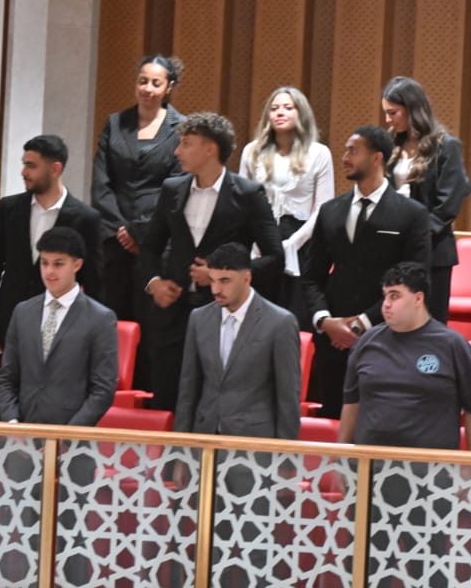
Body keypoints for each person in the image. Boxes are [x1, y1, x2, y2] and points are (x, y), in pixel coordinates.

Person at [139, 111, 282, 415]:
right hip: (172, 317)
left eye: (186, 144)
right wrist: (154, 283)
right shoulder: (172, 189)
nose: (177, 151)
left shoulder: (248, 194)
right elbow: (149, 247)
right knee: (167, 402)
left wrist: (222, 276)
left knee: (214, 403)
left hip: (223, 316)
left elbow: (274, 257)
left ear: (209, 149)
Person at [301, 125, 432, 418]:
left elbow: (416, 277)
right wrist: (324, 320)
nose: (345, 157)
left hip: (388, 337)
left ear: (376, 158)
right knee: (333, 421)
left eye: (353, 150)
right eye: (345, 150)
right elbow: (311, 276)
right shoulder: (330, 211)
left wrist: (363, 322)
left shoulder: (411, 213)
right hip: (332, 341)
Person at [0, 134, 106, 417]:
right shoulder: (9, 208)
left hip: (61, 335)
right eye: (24, 164)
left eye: (31, 165)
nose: (24, 172)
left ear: (55, 169)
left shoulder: (86, 218)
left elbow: (94, 283)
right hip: (7, 329)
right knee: (6, 409)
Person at [90, 54, 187, 390]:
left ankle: (148, 397)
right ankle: (108, 394)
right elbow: (101, 182)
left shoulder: (181, 128)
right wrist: (120, 229)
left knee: (152, 324)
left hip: (157, 241)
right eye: (142, 81)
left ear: (169, 87)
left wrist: (140, 231)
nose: (147, 88)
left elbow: (177, 186)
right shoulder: (115, 123)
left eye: (155, 83)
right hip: (112, 239)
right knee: (112, 318)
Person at [340, 262, 471, 451]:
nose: (386, 304)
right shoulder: (366, 343)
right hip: (369, 461)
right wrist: (340, 457)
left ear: (418, 298)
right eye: (385, 295)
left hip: (431, 464)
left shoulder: (453, 345)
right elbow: (351, 403)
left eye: (395, 296)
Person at [175, 243, 301, 440]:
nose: (216, 289)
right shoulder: (199, 318)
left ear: (247, 278)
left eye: (225, 281)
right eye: (212, 280)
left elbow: (288, 397)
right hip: (204, 437)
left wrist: (285, 454)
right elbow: (187, 389)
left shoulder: (280, 322)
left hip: (255, 443)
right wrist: (179, 448)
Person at [0, 227, 118, 426]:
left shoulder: (100, 318)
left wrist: (67, 435)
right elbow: (7, 378)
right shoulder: (22, 312)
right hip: (22, 434)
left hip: (72, 437)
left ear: (77, 264)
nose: (49, 271)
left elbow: (103, 389)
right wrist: (12, 422)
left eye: (58, 264)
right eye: (44, 263)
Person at [381, 76, 471, 322]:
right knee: (394, 321)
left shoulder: (446, 146)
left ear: (412, 109)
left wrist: (416, 235)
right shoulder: (390, 144)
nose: (388, 120)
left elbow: (448, 204)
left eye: (393, 113)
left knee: (428, 323)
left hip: (433, 250)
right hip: (396, 247)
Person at [237, 85, 334, 311]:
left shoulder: (319, 153)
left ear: (301, 113)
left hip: (301, 239)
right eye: (274, 108)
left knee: (294, 310)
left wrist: (292, 244)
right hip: (260, 240)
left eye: (288, 108)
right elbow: (241, 203)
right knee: (257, 310)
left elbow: (322, 209)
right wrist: (255, 243)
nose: (280, 112)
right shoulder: (252, 151)